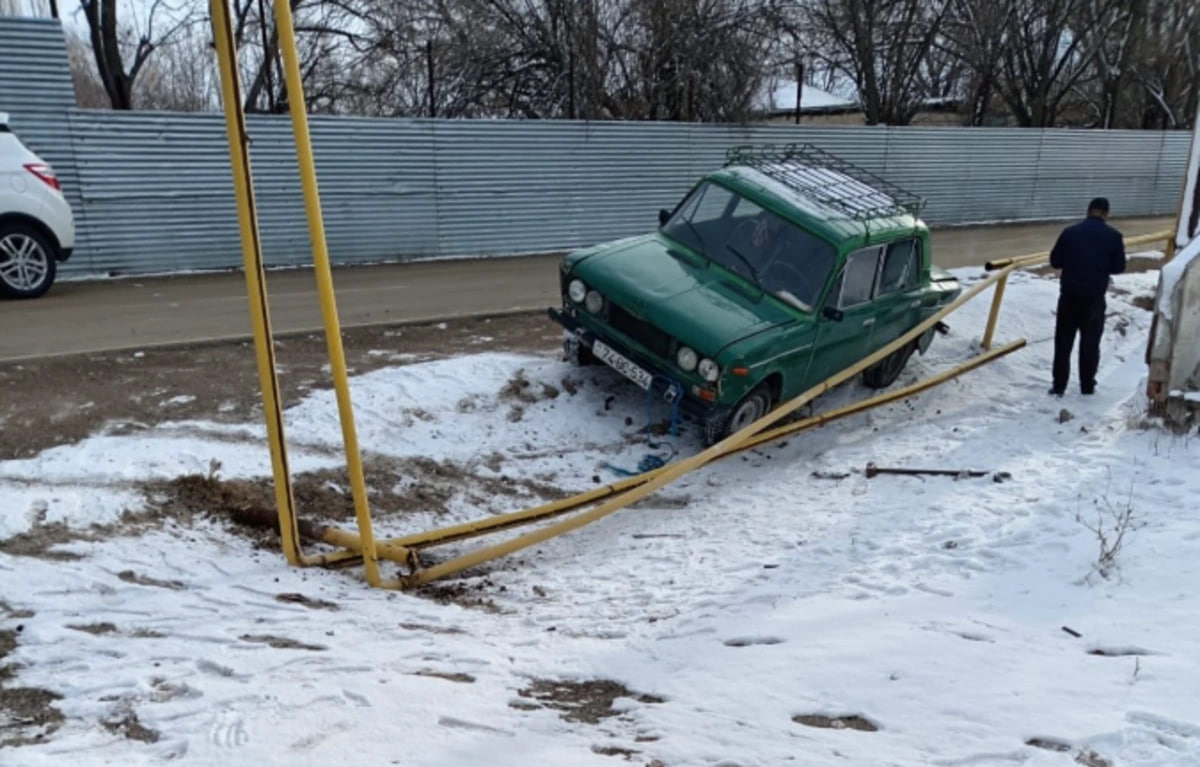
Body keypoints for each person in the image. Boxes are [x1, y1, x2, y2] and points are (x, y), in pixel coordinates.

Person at [1048, 197, 1126, 396]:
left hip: (1069, 296)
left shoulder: (1070, 232)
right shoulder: (1114, 236)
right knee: (1090, 342)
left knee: (1063, 342)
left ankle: (1059, 386)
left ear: (1088, 211)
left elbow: (1055, 261)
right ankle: (1087, 385)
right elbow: (1119, 267)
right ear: (1106, 214)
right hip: (1094, 299)